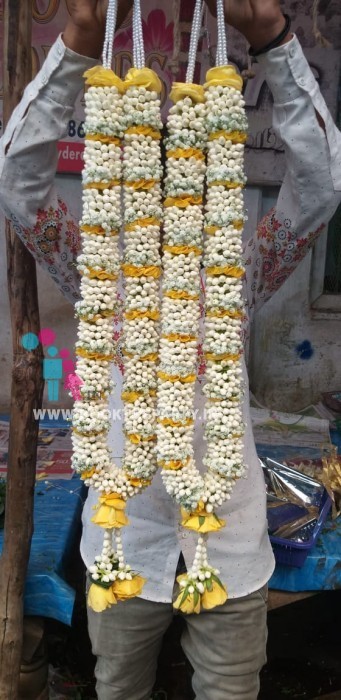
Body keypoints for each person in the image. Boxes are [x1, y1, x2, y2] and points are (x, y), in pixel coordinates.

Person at [0, 1, 341, 698]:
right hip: (126, 542)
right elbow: (19, 184)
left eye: (176, 178)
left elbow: (318, 186)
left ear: (201, 184)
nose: (159, 198)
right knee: (118, 687)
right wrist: (73, 51)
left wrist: (274, 43)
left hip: (232, 542)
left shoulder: (238, 270)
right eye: (139, 182)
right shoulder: (91, 266)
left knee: (230, 688)